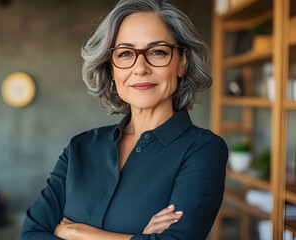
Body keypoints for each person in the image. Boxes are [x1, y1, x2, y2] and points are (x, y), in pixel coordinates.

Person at [18, 0, 228, 239]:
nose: (140, 68)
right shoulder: (80, 148)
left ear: (182, 62)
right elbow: (30, 235)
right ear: (112, 68)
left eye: (158, 52)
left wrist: (78, 233)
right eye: (125, 53)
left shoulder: (203, 150)